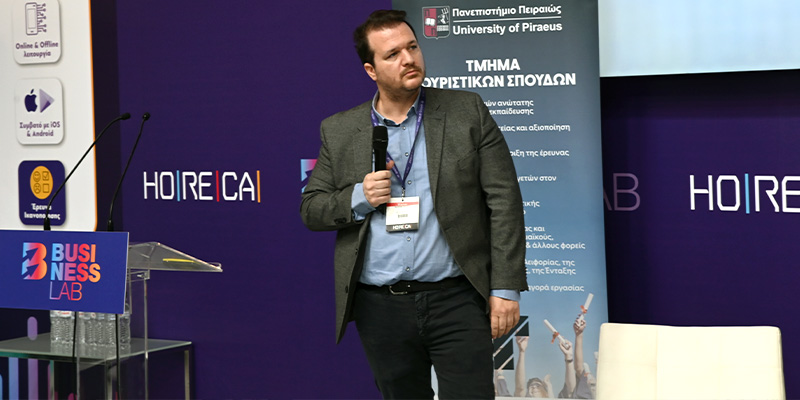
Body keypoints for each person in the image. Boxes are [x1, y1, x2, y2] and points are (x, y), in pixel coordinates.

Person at [300, 9, 526, 399]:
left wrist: (505, 288)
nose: (408, 59)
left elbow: (504, 200)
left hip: (457, 299)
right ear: (371, 70)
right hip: (381, 308)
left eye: (412, 47)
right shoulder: (339, 130)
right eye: (392, 54)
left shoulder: (466, 111)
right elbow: (312, 209)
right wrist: (360, 196)